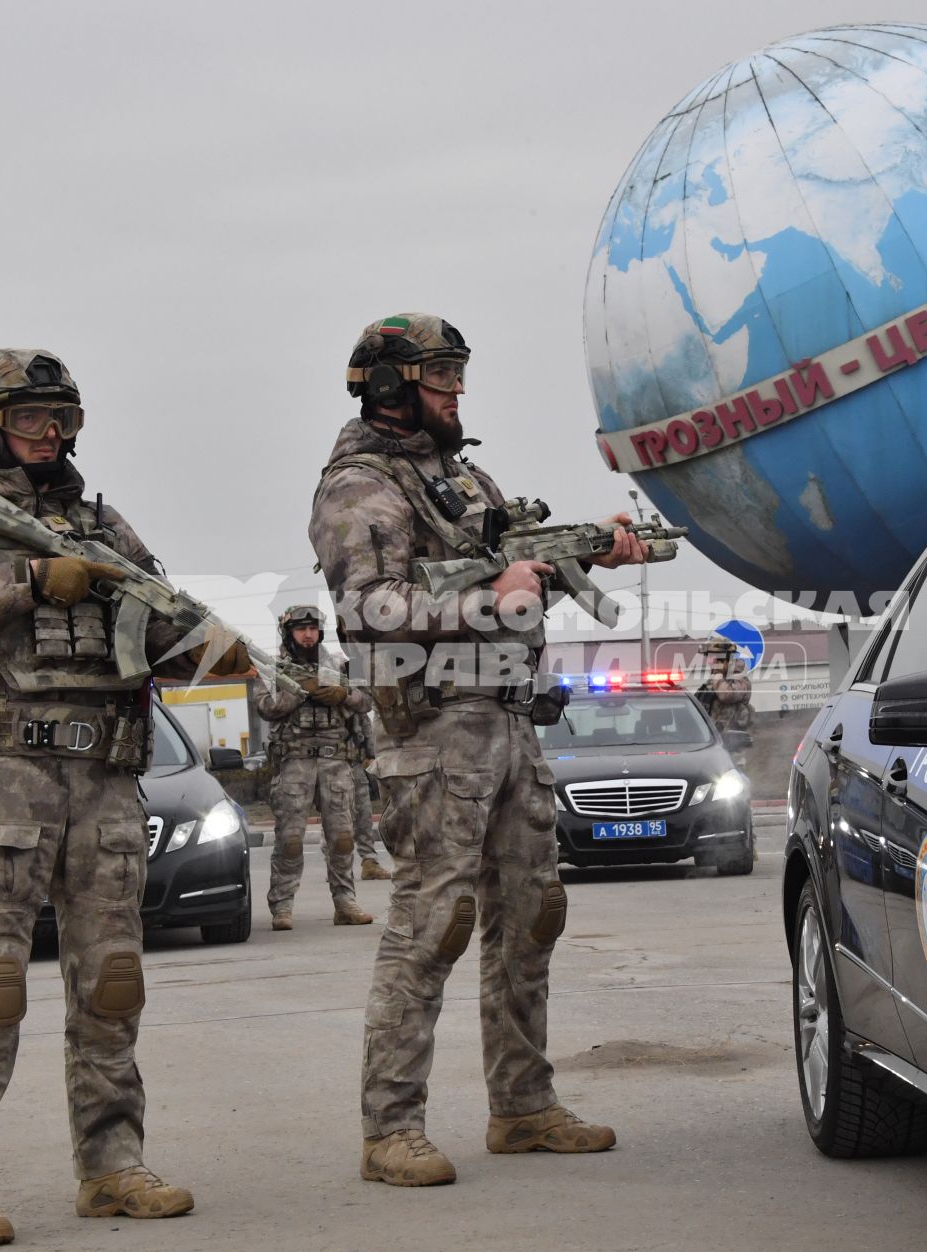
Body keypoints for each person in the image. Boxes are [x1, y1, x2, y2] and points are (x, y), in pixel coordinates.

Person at [0, 347, 248, 1247]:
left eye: (65, 417)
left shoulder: (100, 521)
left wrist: (215, 646)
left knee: (111, 985)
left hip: (107, 782)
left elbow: (162, 618)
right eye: (32, 416)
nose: (52, 432)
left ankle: (112, 1166)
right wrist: (26, 581)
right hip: (4, 779)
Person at [309, 312, 649, 1187]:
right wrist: (491, 600)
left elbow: (516, 594)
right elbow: (369, 615)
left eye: (459, 372)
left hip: (509, 721)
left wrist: (582, 561)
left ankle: (524, 1107)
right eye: (438, 374)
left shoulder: (463, 481)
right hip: (435, 734)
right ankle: (390, 1131)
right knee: (433, 924)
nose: (456, 390)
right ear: (387, 388)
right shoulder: (360, 487)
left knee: (531, 918)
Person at [254, 605, 376, 930]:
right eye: (300, 629)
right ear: (288, 632)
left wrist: (342, 694)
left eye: (313, 628)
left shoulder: (339, 665)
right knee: (290, 839)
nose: (307, 634)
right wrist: (298, 691)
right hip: (295, 761)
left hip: (336, 762)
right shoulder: (273, 668)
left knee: (342, 837)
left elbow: (368, 701)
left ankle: (345, 903)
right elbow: (265, 707)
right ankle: (282, 907)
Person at [695, 638, 754, 771]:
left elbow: (727, 695)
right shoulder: (716, 679)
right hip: (715, 741)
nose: (710, 662)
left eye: (713, 658)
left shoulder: (739, 678)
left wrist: (717, 676)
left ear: (724, 658)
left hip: (732, 744)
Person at [348, 710, 392, 881]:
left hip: (355, 763)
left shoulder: (354, 693)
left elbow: (364, 718)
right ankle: (335, 865)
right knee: (336, 818)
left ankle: (369, 862)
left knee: (364, 816)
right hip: (332, 762)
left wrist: (370, 753)